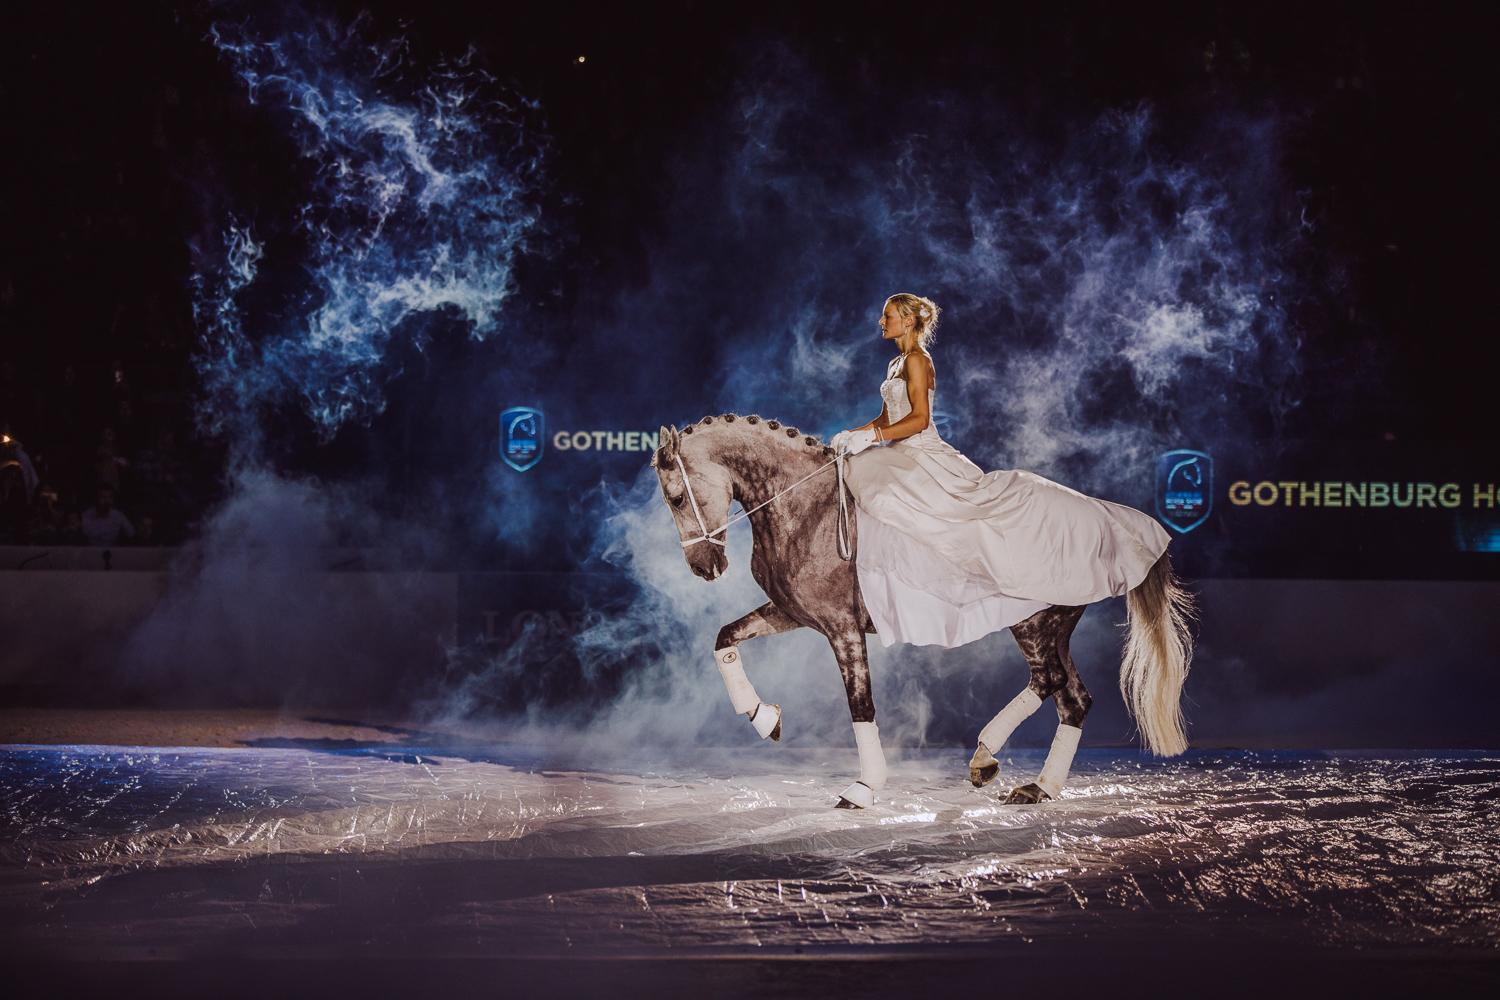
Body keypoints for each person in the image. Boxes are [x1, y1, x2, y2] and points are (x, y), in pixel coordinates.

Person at [831, 293, 1170, 648]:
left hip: (921, 451)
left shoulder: (918, 360)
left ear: (908, 320)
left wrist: (875, 437)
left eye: (888, 316)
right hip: (898, 448)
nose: (881, 322)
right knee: (869, 477)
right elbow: (888, 417)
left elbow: (918, 420)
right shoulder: (895, 364)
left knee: (904, 501)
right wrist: (854, 435)